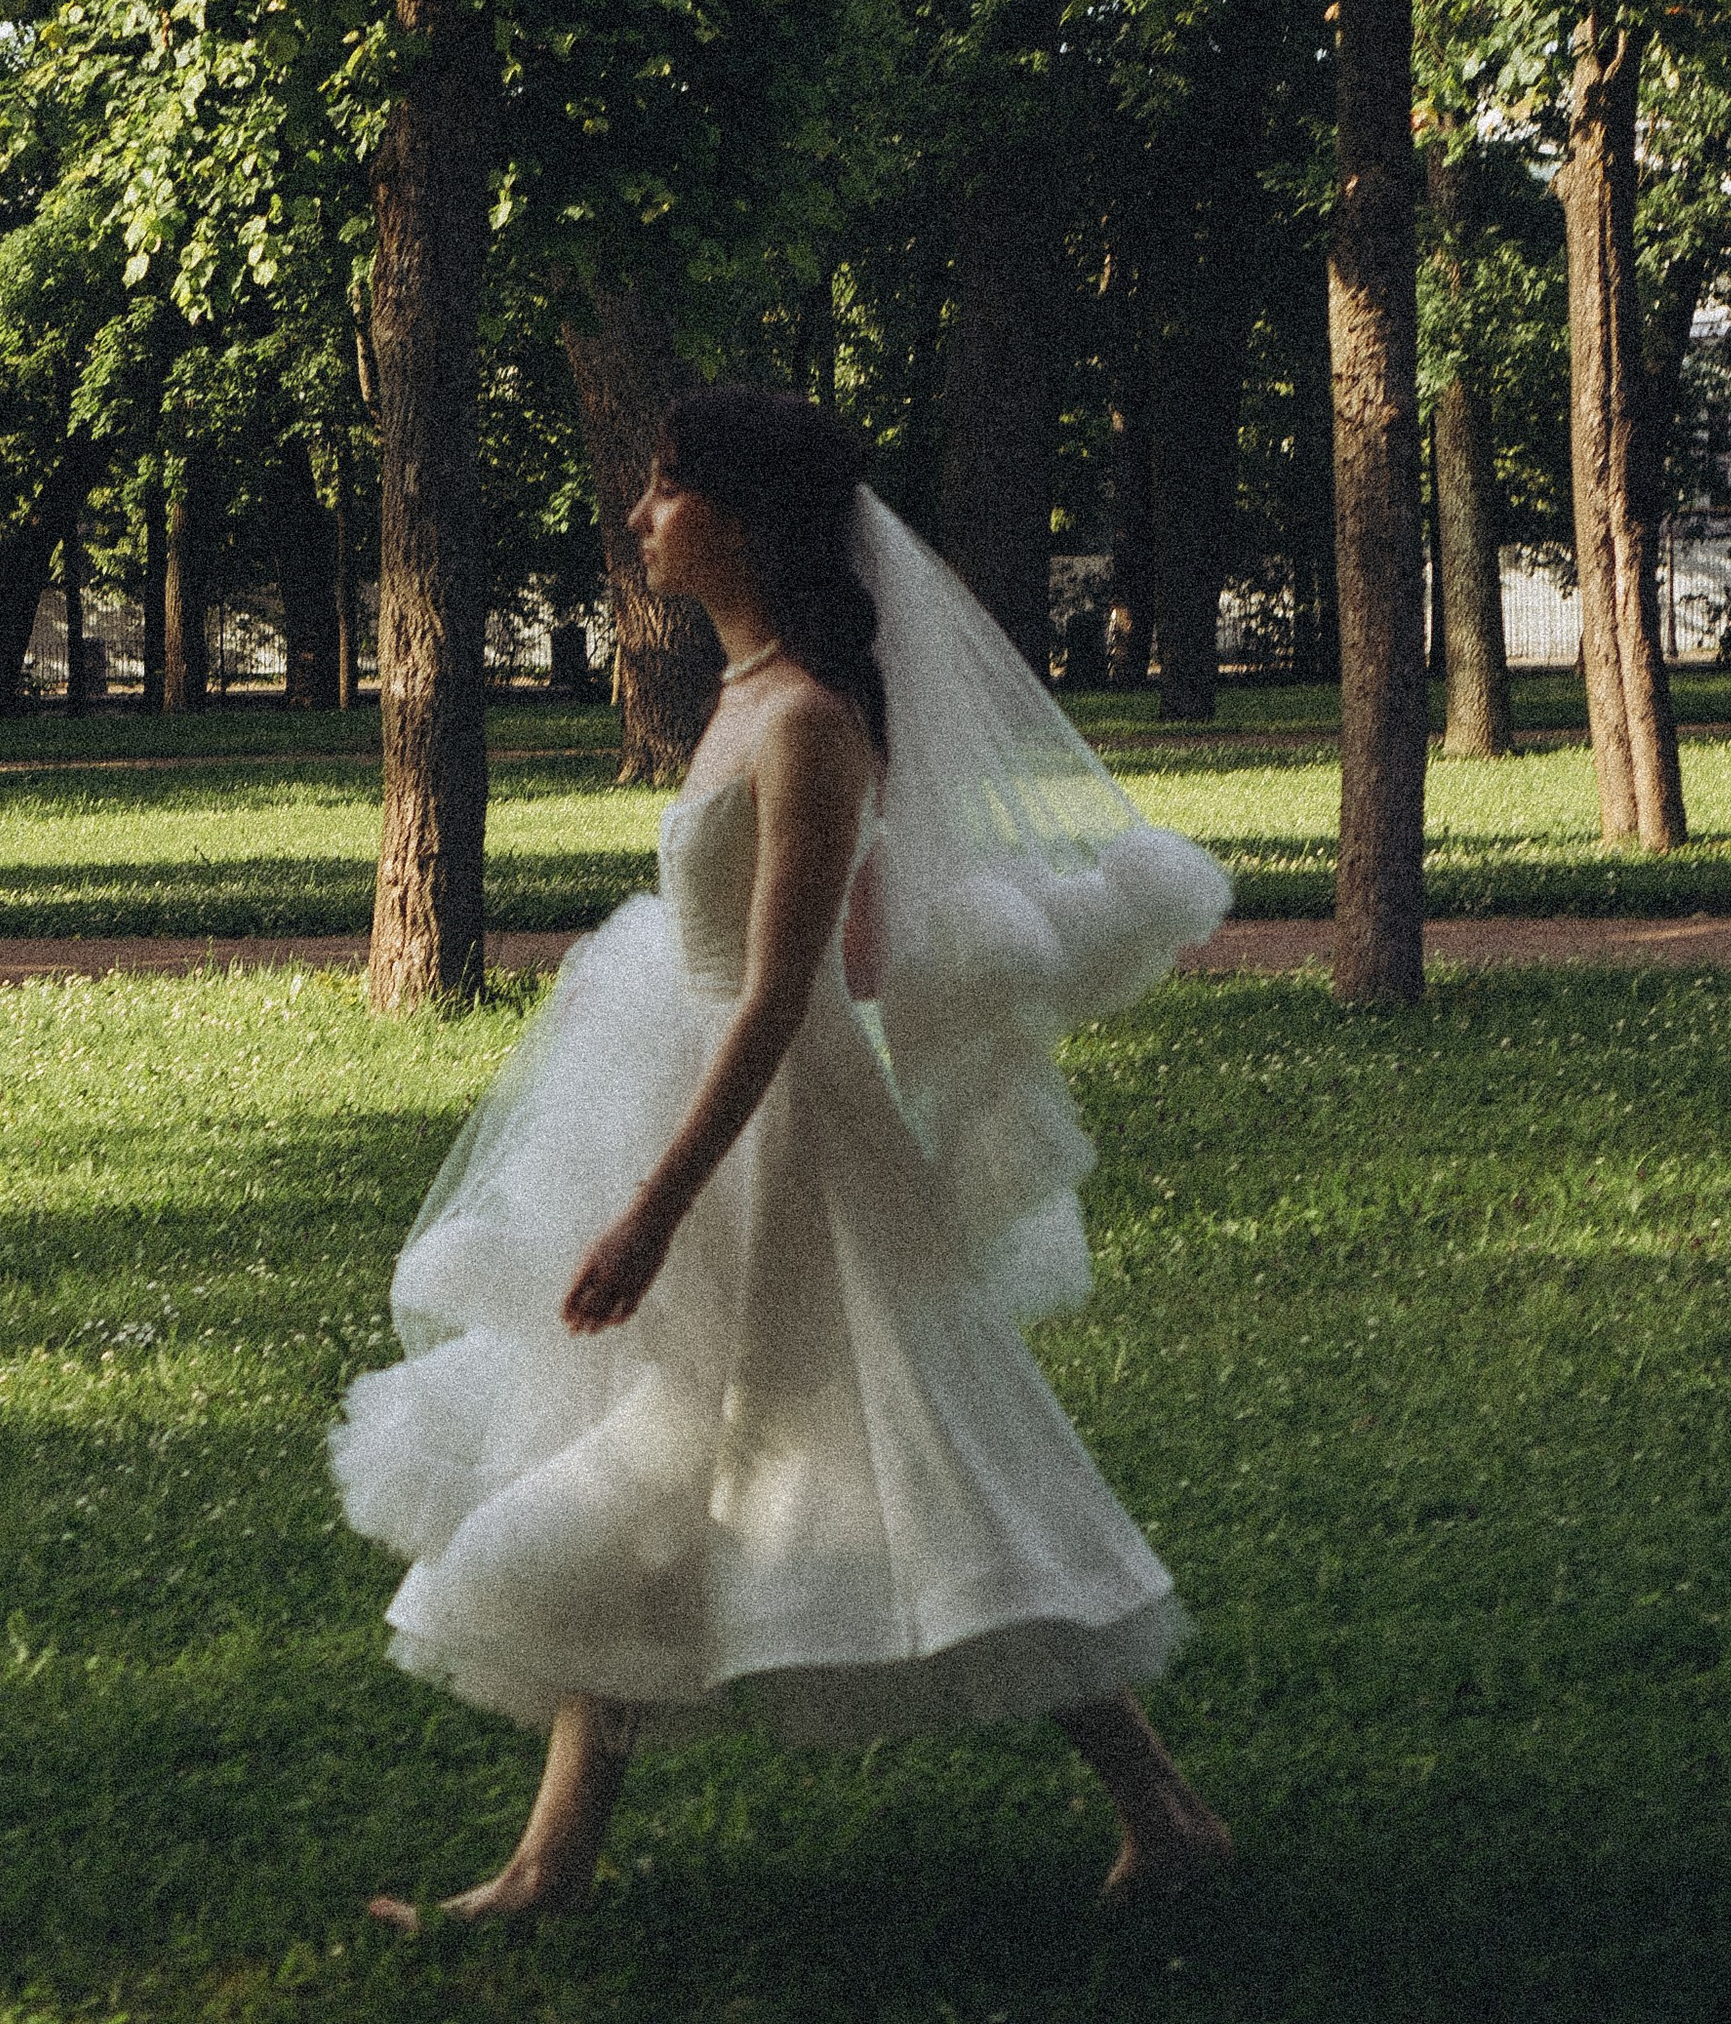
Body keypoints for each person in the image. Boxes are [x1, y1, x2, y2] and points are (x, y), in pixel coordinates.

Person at [331, 385, 1235, 1927]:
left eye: (667, 488)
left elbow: (776, 1001)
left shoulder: (808, 718)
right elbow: (853, 938)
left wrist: (651, 1211)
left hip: (780, 1138)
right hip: (695, 1098)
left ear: (743, 519)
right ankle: (549, 1865)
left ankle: (1164, 1811)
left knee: (930, 1455)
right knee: (657, 1450)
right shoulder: (746, 697)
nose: (640, 516)